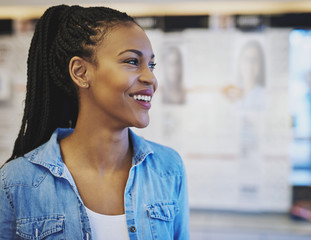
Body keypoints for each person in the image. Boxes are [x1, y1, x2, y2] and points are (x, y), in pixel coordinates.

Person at [0, 5, 189, 240]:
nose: (151, 78)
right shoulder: (17, 182)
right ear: (80, 72)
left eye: (151, 65)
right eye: (132, 61)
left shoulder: (168, 169)